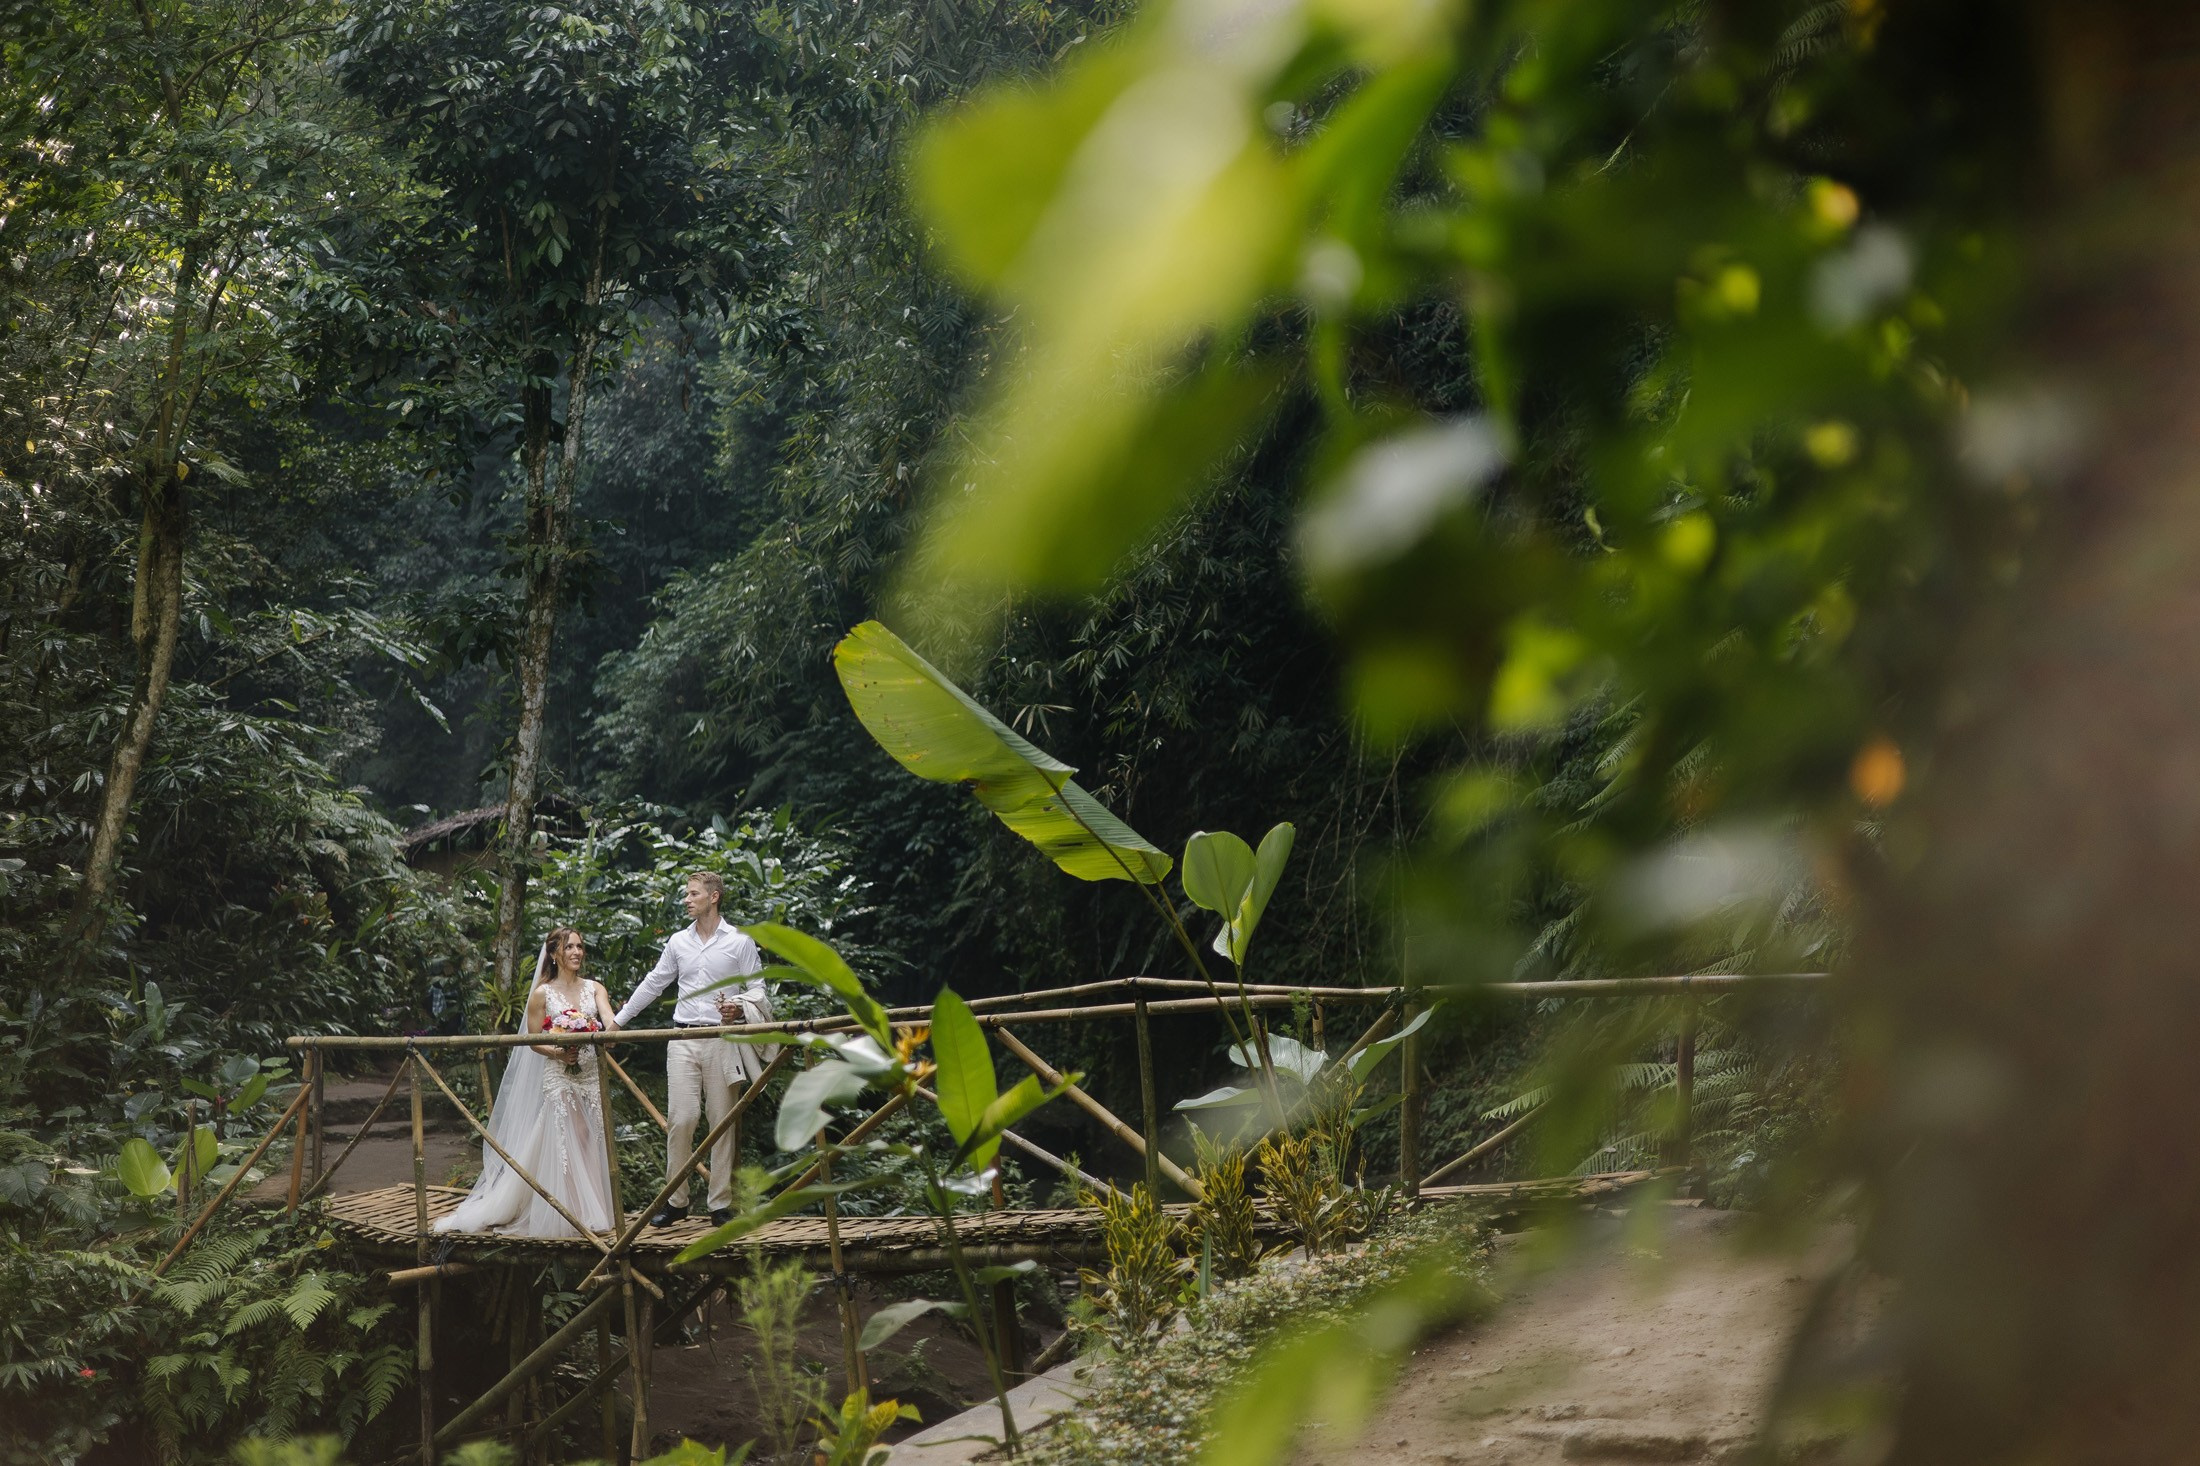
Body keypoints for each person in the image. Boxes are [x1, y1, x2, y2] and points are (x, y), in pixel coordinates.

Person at [436, 926, 622, 1238]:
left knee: (591, 1140)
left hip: (590, 1076)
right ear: (553, 954)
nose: (576, 952)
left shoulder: (595, 988)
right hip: (559, 1075)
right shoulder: (542, 994)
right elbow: (534, 1040)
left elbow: (608, 1019)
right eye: (569, 947)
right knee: (573, 1134)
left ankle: (594, 1208)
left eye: (579, 946)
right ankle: (576, 1213)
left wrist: (612, 1032)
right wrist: (560, 1053)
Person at [614, 871, 776, 1227]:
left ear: (713, 897)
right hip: (683, 1038)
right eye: (686, 895)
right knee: (681, 1119)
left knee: (722, 1121)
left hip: (722, 1039)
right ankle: (677, 1201)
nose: (686, 900)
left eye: (692, 894)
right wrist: (617, 1022)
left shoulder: (739, 941)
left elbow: (759, 991)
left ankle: (719, 1205)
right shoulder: (677, 942)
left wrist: (738, 1005)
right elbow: (654, 982)